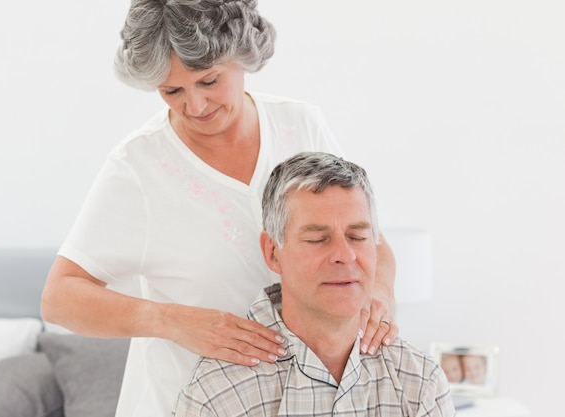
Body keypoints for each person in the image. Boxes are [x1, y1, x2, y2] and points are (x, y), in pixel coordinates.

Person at [40, 1, 398, 415]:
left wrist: (379, 294)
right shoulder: (138, 168)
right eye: (172, 91)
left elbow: (372, 242)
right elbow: (59, 298)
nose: (195, 105)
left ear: (241, 56)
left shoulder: (301, 127)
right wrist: (173, 321)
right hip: (182, 402)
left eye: (209, 81)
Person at [173, 152, 455, 416]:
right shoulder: (219, 394)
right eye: (317, 239)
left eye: (357, 237)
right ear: (272, 252)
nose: (345, 255)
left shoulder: (419, 381)